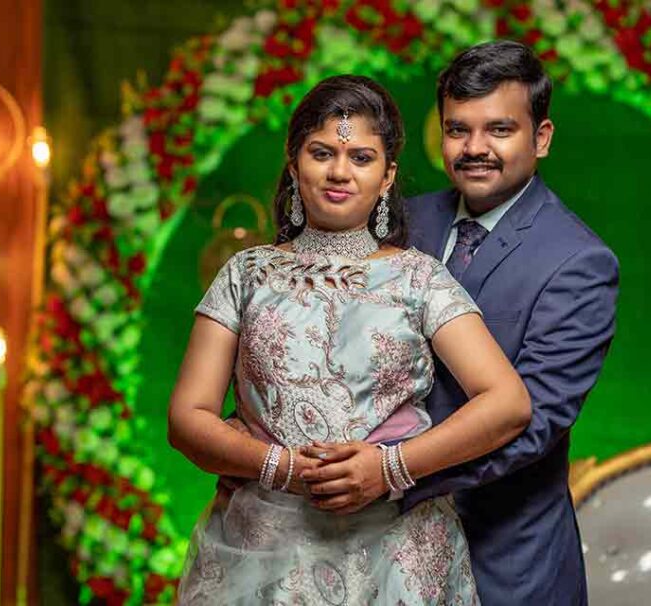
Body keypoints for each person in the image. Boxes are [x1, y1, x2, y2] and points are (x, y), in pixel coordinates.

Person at [168, 74, 531, 604]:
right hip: (263, 553)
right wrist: (279, 468)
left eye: (361, 158)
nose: (340, 172)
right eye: (322, 153)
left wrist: (390, 467)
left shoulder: (419, 279)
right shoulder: (246, 274)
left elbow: (507, 403)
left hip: (396, 553)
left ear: (387, 177)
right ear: (295, 164)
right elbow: (187, 418)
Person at [392, 40, 618, 605]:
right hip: (378, 552)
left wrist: (390, 474)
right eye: (458, 130)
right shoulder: (403, 223)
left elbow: (531, 424)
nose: (475, 148)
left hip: (507, 564)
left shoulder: (579, 261)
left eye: (499, 129)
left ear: (541, 138)